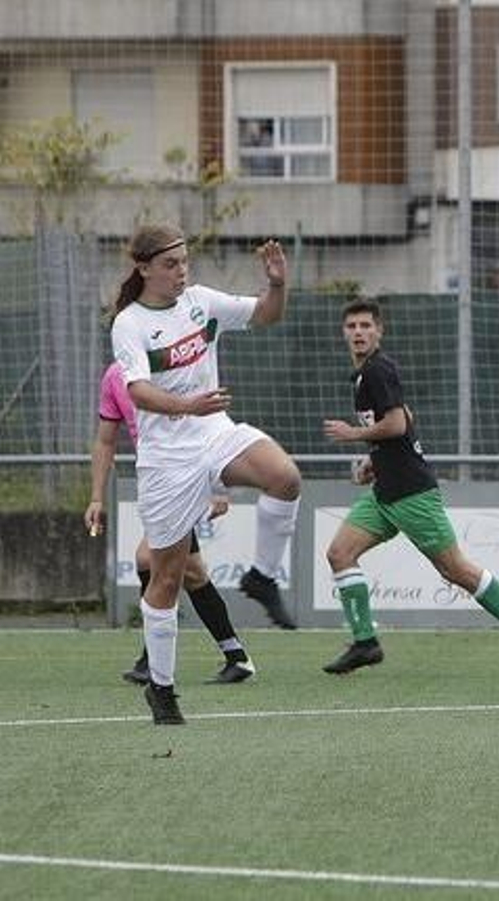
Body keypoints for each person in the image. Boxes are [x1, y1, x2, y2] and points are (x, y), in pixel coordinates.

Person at [108, 224, 304, 725]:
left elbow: (264, 315)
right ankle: (162, 688)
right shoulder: (129, 324)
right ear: (145, 268)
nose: (181, 272)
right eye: (170, 264)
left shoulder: (201, 301)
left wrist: (277, 284)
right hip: (167, 460)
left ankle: (260, 579)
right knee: (168, 577)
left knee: (284, 477)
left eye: (185, 262)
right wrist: (187, 405)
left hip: (213, 431)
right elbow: (137, 392)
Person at [321, 298, 499, 677]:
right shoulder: (363, 375)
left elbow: (395, 424)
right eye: (352, 326)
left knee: (455, 569)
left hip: (411, 493)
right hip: (385, 492)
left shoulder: (378, 370)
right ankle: (365, 642)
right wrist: (373, 463)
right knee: (340, 553)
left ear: (379, 331)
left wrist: (353, 435)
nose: (358, 332)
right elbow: (407, 418)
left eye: (365, 326)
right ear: (344, 332)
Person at [86, 361, 256, 685]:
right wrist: (96, 497)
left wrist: (217, 487)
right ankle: (236, 656)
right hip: (160, 483)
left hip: (188, 477)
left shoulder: (177, 362)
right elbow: (105, 441)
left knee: (149, 560)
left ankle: (153, 659)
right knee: (191, 573)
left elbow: (214, 424)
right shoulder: (113, 376)